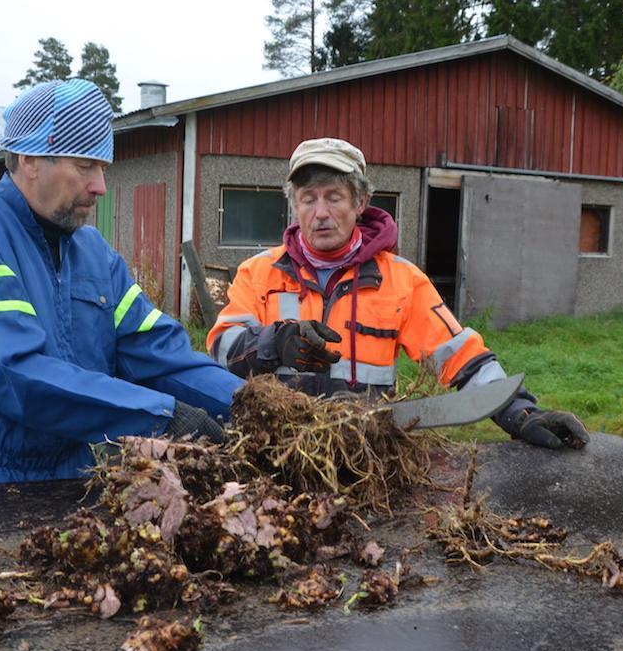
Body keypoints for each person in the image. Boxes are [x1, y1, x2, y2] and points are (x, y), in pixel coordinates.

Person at [0, 79, 240, 486]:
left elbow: (160, 356)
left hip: (69, 478)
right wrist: (160, 416)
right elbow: (12, 374)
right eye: (84, 165)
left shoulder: (92, 253)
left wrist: (252, 406)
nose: (100, 185)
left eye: (102, 167)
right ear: (29, 158)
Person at [207, 137, 588, 450]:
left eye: (334, 197)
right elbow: (222, 347)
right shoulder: (259, 272)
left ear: (359, 203)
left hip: (366, 456)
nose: (320, 212)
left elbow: (460, 356)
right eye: (309, 198)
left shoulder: (401, 280)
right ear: (295, 206)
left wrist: (519, 411)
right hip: (274, 449)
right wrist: (278, 340)